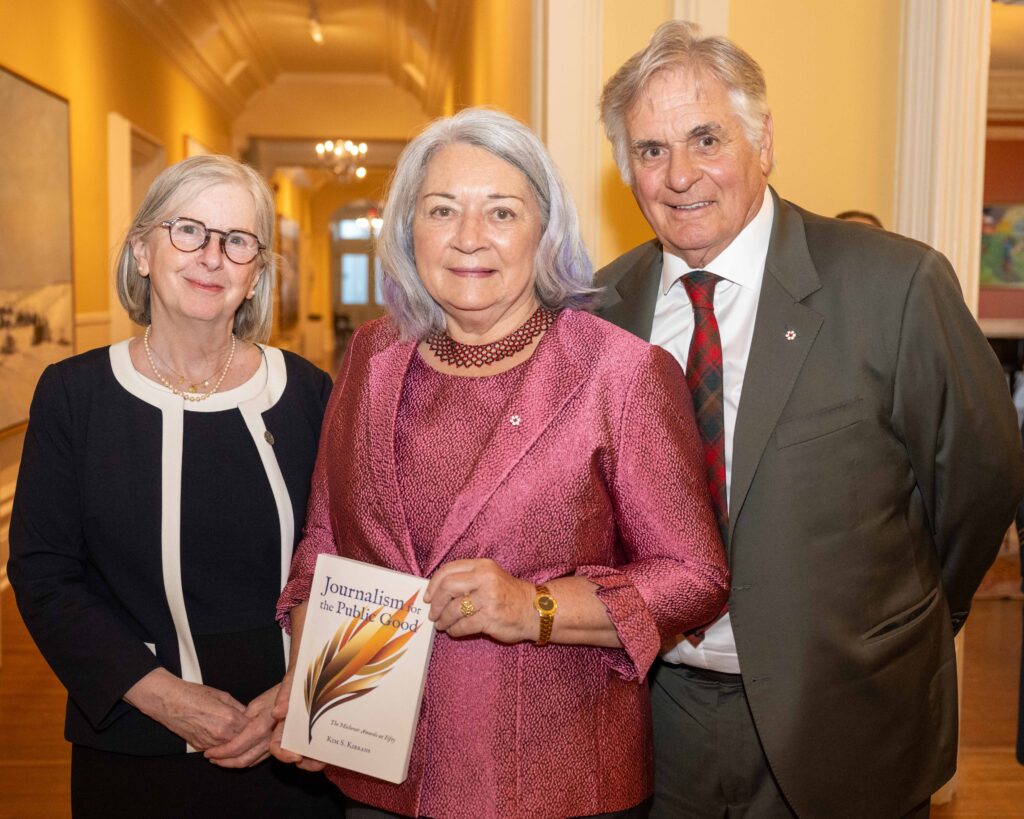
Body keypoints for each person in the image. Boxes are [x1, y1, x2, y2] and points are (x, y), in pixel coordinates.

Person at [596, 21, 1024, 819]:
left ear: (763, 138)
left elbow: (980, 480)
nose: (680, 174)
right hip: (655, 726)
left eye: (705, 137)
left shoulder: (892, 287)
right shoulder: (599, 313)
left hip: (848, 722)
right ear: (627, 172)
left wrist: (915, 610)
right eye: (651, 150)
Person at [270, 107, 730, 819]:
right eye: (442, 209)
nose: (468, 238)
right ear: (407, 230)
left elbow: (695, 576)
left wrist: (533, 607)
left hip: (554, 782)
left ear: (544, 232)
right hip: (377, 767)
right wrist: (310, 682)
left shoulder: (621, 372)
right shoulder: (372, 354)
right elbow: (327, 539)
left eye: (502, 212)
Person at [8, 155, 342, 818]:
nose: (212, 256)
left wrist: (294, 698)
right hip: (134, 746)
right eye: (188, 230)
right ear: (142, 251)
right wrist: (164, 695)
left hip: (288, 746)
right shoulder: (74, 396)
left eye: (237, 240)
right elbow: (45, 576)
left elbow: (347, 558)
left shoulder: (307, 392)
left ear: (255, 275)